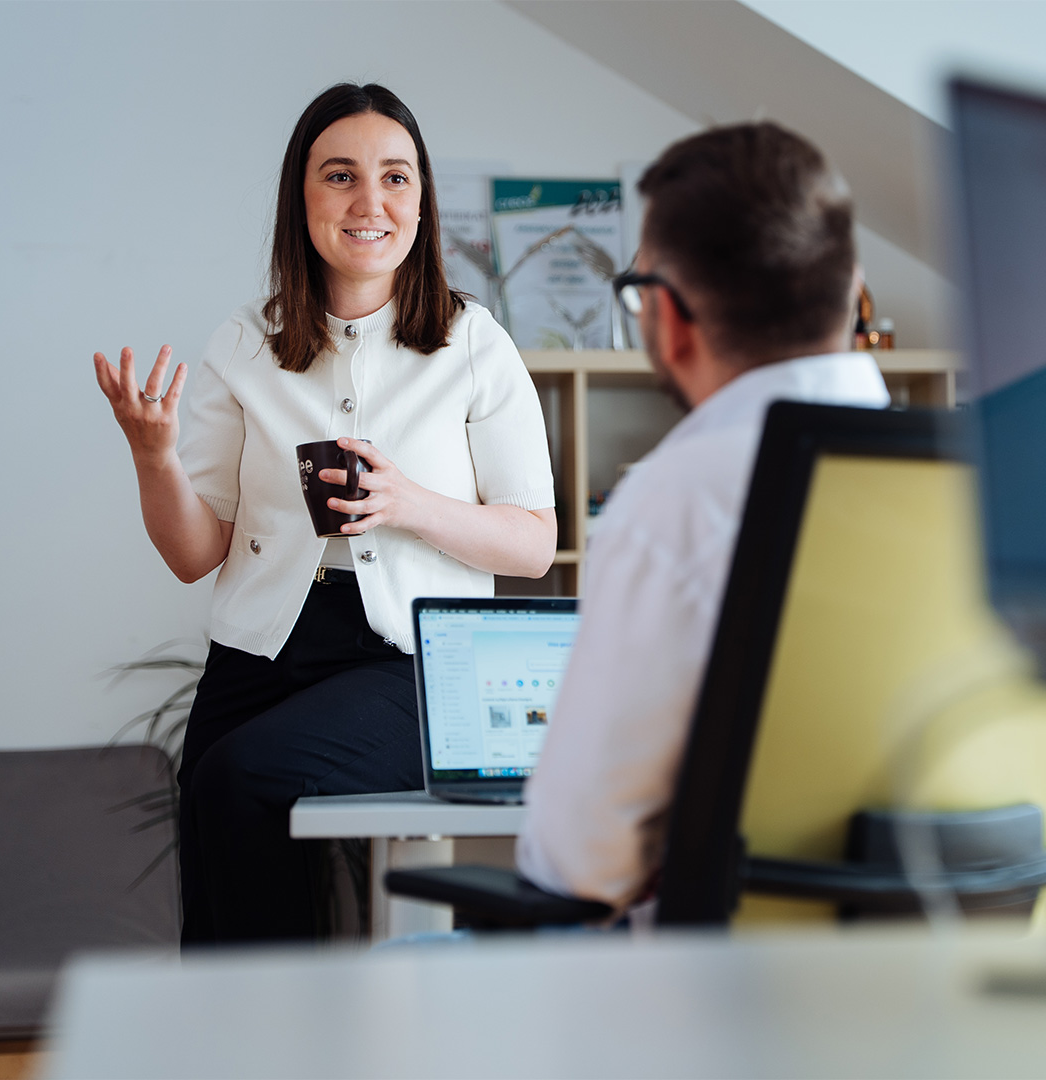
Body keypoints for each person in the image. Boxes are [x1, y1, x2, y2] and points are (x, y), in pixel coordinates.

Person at [94, 83, 556, 945]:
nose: (370, 203)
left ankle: (296, 1029)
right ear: (300, 199)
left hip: (409, 659)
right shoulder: (245, 343)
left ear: (421, 200)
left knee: (239, 778)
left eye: (396, 178)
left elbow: (534, 544)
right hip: (260, 649)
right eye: (340, 176)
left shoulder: (474, 344)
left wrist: (407, 503)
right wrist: (153, 456)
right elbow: (196, 553)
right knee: (214, 807)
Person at [516, 121, 890, 915]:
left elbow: (581, 861)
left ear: (669, 318)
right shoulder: (980, 483)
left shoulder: (676, 503)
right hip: (951, 992)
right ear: (849, 290)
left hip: (716, 1011)